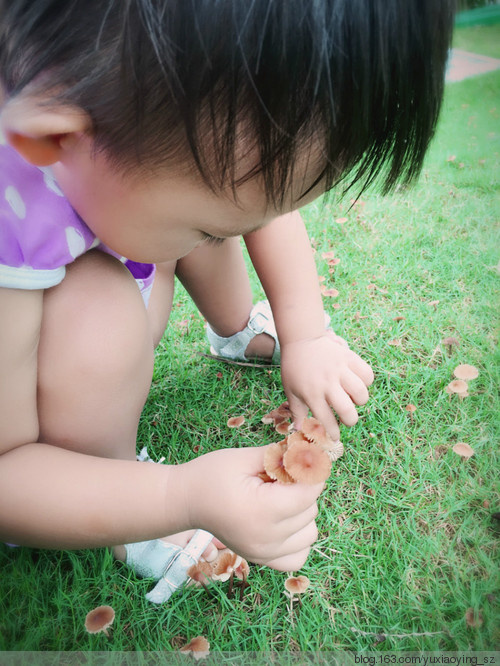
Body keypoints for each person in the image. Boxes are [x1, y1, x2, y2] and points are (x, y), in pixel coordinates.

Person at [0, 0, 454, 587]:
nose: (236, 232)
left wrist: (306, 334)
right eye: (216, 229)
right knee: (100, 308)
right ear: (57, 135)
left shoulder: (129, 133)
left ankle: (235, 327)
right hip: (33, 438)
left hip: (125, 236)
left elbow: (262, 203)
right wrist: (178, 494)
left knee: (205, 204)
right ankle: (116, 496)